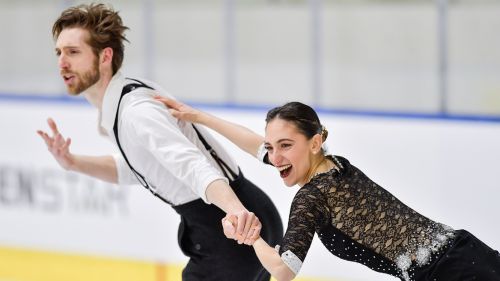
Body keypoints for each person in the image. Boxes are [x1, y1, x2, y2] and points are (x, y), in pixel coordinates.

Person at [36, 4, 283, 281]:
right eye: (58, 52)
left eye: (73, 52)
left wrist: (237, 212)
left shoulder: (136, 112)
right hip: (237, 222)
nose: (61, 62)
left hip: (229, 228)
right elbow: (143, 169)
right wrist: (73, 162)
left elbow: (192, 165)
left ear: (105, 56)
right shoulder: (122, 102)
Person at [155, 97, 500, 281]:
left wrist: (251, 238)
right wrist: (199, 118)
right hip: (464, 249)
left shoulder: (312, 198)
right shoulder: (337, 167)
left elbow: (282, 271)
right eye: (272, 147)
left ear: (315, 142)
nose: (275, 157)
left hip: (453, 273)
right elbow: (260, 147)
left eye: (286, 146)